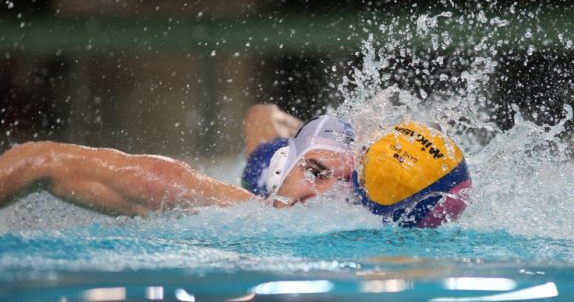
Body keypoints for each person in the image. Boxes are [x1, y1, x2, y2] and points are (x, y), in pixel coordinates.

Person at [0, 109, 355, 216]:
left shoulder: (367, 212)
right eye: (315, 172)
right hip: (269, 176)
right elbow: (39, 159)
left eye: (340, 183)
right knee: (261, 117)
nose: (322, 195)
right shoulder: (192, 193)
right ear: (283, 166)